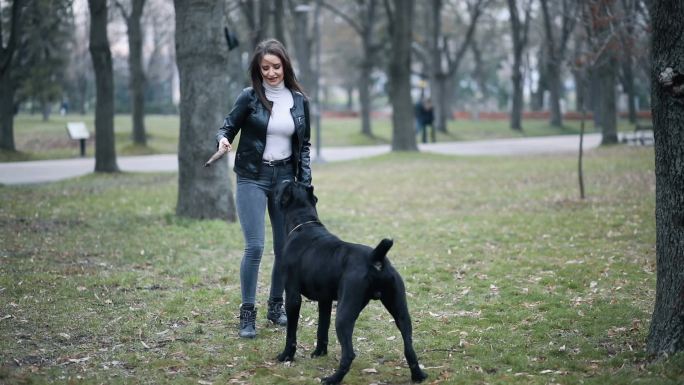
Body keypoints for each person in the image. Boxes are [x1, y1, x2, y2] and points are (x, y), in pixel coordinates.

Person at [215, 39, 312, 339]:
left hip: (285, 180)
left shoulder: (299, 101)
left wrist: (304, 186)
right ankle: (247, 313)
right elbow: (227, 127)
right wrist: (222, 140)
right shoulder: (249, 97)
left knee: (284, 249)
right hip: (251, 177)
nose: (271, 73)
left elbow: (304, 146)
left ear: (285, 66)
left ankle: (275, 306)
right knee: (255, 246)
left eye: (276, 67)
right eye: (265, 68)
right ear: (258, 70)